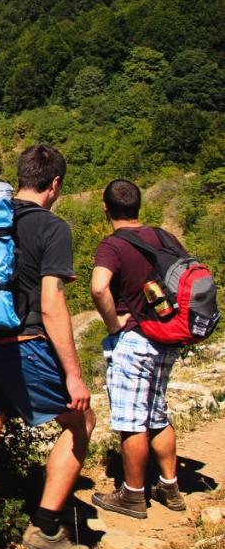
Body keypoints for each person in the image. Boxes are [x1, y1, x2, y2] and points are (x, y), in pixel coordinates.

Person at [0, 145, 95, 549]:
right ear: (54, 184)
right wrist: (73, 374)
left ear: (20, 177)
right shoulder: (52, 227)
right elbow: (53, 302)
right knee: (81, 421)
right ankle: (47, 526)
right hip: (26, 345)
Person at [90, 179, 185, 519]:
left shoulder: (113, 245)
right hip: (166, 336)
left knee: (132, 420)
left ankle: (132, 495)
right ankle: (170, 486)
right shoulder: (163, 237)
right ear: (138, 205)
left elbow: (99, 287)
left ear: (106, 208)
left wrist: (114, 324)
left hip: (135, 338)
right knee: (157, 412)